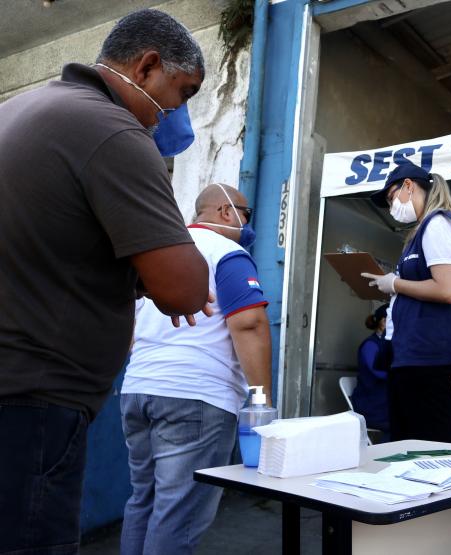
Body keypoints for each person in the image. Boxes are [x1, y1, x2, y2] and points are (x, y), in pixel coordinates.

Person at [0, 9, 211, 552]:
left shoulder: (21, 108)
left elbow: (49, 240)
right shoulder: (112, 128)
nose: (177, 113)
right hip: (33, 398)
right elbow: (185, 290)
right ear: (146, 67)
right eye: (183, 92)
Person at [119, 184, 270, 554]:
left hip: (138, 390)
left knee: (144, 500)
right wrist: (262, 399)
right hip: (196, 399)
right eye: (245, 214)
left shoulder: (159, 254)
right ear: (223, 212)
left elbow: (127, 327)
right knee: (179, 515)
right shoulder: (227, 252)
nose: (247, 223)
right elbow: (249, 323)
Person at [361, 160, 451, 443]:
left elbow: (447, 290)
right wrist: (391, 287)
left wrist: (396, 283)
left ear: (409, 186)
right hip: (412, 350)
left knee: (426, 440)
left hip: (429, 351)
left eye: (391, 198)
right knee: (410, 436)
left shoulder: (437, 224)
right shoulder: (422, 230)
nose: (391, 208)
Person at [351, 304, 391, 440]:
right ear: (383, 322)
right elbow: (376, 372)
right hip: (372, 404)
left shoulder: (387, 343)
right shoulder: (370, 345)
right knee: (400, 422)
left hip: (383, 401)